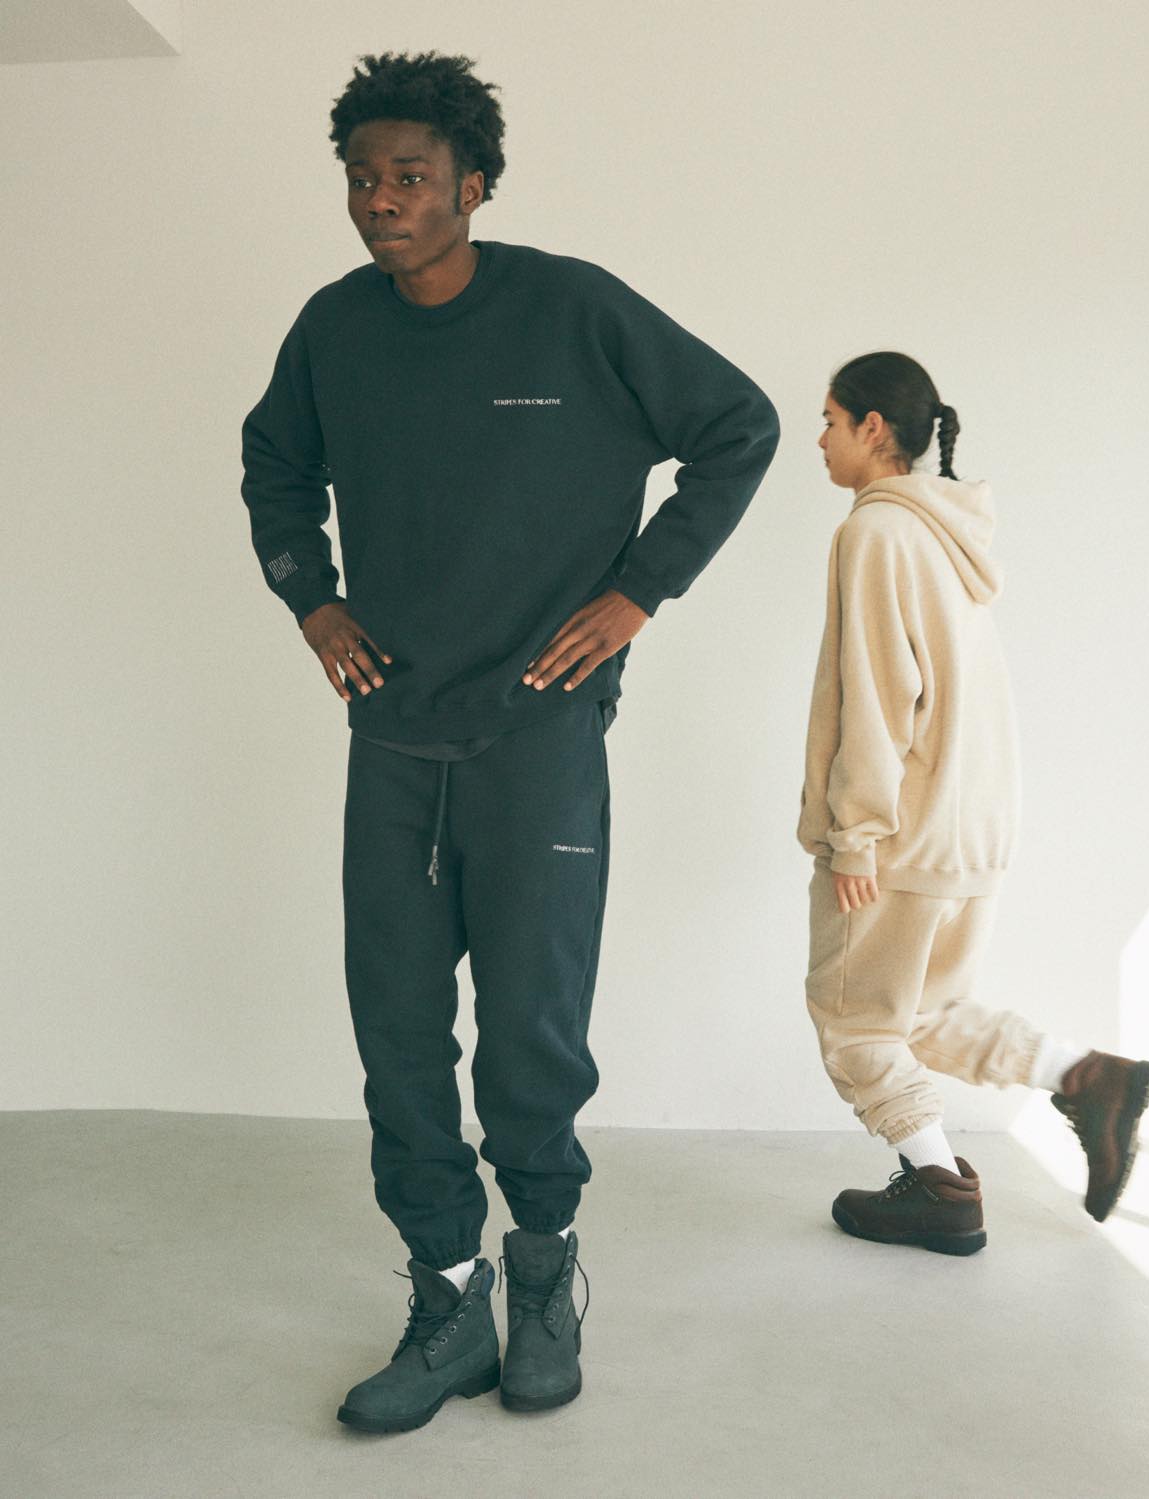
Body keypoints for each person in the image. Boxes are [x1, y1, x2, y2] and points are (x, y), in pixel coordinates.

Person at [240, 50, 779, 1430]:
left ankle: (543, 1275)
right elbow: (274, 464)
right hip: (393, 736)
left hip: (540, 731)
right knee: (398, 1035)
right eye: (362, 178)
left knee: (531, 1031)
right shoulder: (334, 328)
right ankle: (447, 1297)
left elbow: (738, 425)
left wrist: (639, 590)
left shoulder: (572, 309)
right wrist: (312, 598)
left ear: (474, 186)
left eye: (410, 177)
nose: (380, 201)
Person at [797, 351, 1149, 1255]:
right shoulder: (948, 533)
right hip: (970, 823)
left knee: (854, 1019)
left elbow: (879, 694)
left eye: (830, 421)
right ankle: (1087, 1076)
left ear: (873, 427)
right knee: (923, 1013)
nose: (820, 440)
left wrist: (855, 836)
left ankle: (939, 1189)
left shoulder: (876, 531)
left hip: (903, 828)